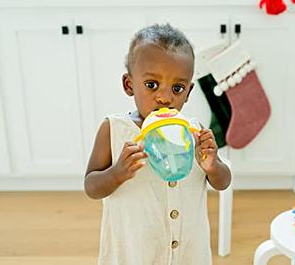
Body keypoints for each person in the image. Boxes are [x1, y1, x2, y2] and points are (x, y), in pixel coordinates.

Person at [84, 23, 232, 265]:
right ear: (129, 85)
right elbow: (91, 186)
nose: (165, 97)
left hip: (187, 253)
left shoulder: (193, 132)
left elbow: (223, 182)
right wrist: (117, 173)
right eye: (152, 85)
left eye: (177, 88)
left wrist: (213, 165)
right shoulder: (114, 130)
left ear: (189, 92)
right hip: (135, 254)